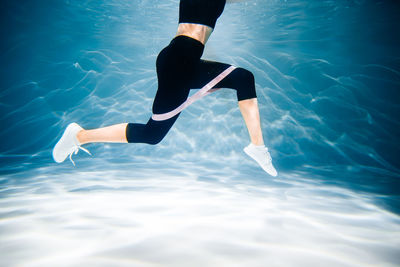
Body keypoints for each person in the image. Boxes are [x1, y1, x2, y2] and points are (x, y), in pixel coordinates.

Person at [53, 0, 278, 176]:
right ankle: (79, 135)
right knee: (152, 134)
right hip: (179, 59)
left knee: (243, 78)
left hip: (183, 61)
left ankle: (257, 147)